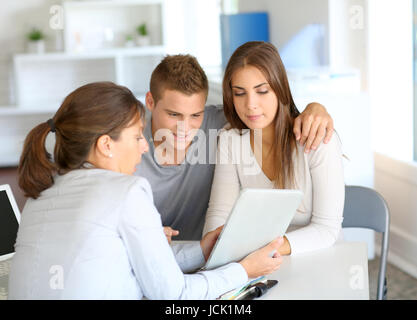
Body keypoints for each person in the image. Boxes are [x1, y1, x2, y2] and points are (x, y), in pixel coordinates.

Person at [8, 82, 284, 300]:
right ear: (106, 145)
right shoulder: (126, 191)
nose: (144, 146)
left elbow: (142, 265)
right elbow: (173, 294)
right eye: (138, 135)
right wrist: (244, 270)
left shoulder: (40, 193)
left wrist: (202, 250)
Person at [135, 54, 336, 241]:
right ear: (150, 102)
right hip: (149, 254)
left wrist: (316, 108)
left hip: (204, 257)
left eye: (195, 115)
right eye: (173, 114)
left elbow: (267, 113)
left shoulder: (219, 123)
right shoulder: (127, 145)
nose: (184, 127)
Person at [203, 41, 345, 255]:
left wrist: (266, 251)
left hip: (316, 259)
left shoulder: (317, 140)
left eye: (262, 91)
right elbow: (219, 213)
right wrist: (214, 252)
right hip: (255, 262)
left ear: (280, 89)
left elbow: (326, 229)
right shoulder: (230, 140)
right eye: (240, 93)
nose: (250, 104)